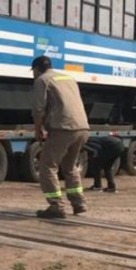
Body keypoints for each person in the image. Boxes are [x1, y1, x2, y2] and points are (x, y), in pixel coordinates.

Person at [31, 55, 90, 218]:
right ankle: (79, 204)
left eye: (33, 72)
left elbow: (38, 109)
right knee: (70, 167)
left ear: (36, 69)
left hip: (63, 128)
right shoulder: (68, 78)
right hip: (82, 127)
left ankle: (56, 206)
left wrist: (37, 130)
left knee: (47, 166)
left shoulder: (42, 80)